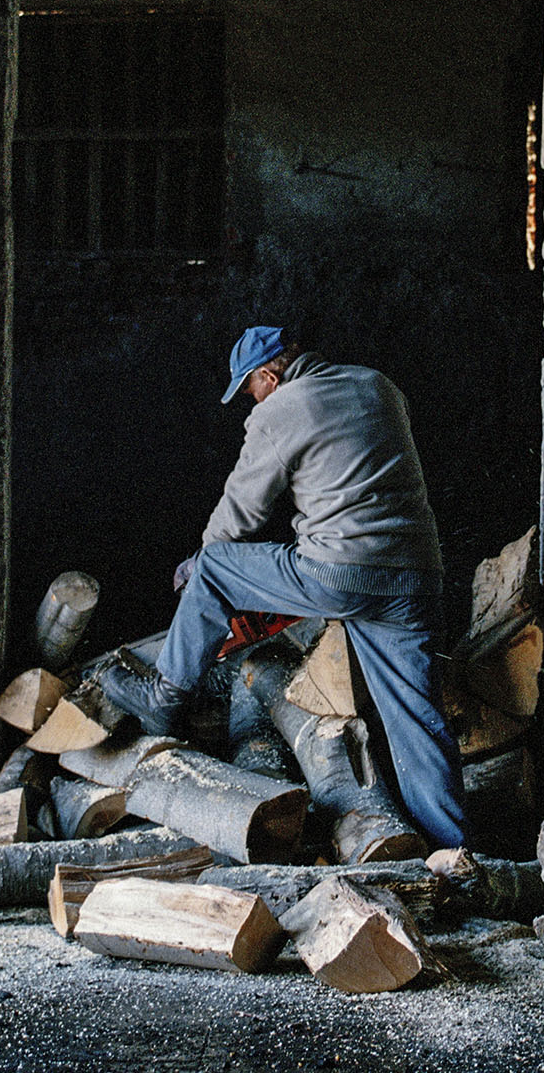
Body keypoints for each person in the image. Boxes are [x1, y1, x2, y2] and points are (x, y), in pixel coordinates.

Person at [96, 325, 469, 850]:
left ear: (268, 377)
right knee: (417, 717)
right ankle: (451, 855)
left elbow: (242, 511)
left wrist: (198, 564)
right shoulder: (377, 385)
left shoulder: (281, 407)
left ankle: (164, 695)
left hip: (341, 573)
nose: (251, 402)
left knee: (214, 567)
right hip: (416, 575)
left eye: (249, 391)